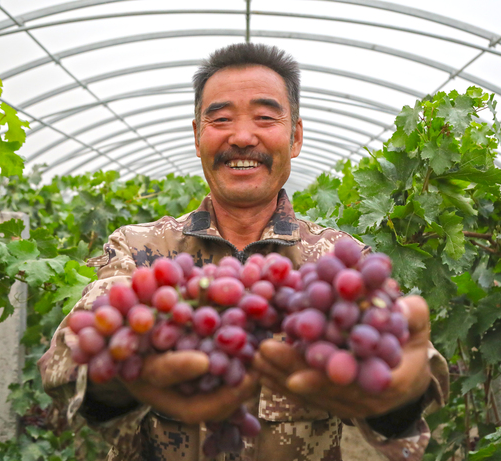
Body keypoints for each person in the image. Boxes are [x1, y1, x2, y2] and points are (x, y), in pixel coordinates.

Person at [38, 43, 448, 461]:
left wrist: (397, 401)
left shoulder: (339, 260)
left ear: (296, 136)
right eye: (220, 119)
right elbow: (71, 356)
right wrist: (114, 381)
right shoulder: (141, 249)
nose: (242, 136)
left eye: (266, 118)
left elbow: (409, 374)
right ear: (198, 136)